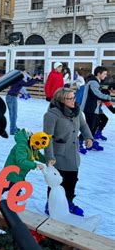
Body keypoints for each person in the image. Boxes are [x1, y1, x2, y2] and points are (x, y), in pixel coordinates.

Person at [43, 88, 93, 216]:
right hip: (58, 155)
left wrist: (88, 137)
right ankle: (50, 204)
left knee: (72, 180)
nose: (73, 101)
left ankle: (69, 202)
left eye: (73, 97)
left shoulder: (77, 111)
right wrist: (49, 156)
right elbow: (46, 138)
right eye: (69, 98)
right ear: (61, 100)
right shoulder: (52, 115)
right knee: (56, 182)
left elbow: (83, 126)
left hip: (73, 153)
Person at [79, 66, 111, 151]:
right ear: (98, 73)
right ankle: (79, 142)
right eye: (104, 74)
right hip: (89, 108)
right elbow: (97, 94)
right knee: (89, 126)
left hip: (94, 108)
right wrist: (109, 97)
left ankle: (91, 142)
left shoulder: (96, 81)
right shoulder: (93, 82)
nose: (105, 76)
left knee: (94, 125)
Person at [6, 70, 43, 135]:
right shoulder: (19, 80)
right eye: (23, 73)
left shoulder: (16, 79)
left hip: (9, 97)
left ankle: (14, 128)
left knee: (12, 114)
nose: (24, 74)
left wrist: (34, 78)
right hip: (12, 97)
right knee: (13, 115)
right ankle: (12, 130)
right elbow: (28, 84)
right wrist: (36, 78)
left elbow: (27, 82)